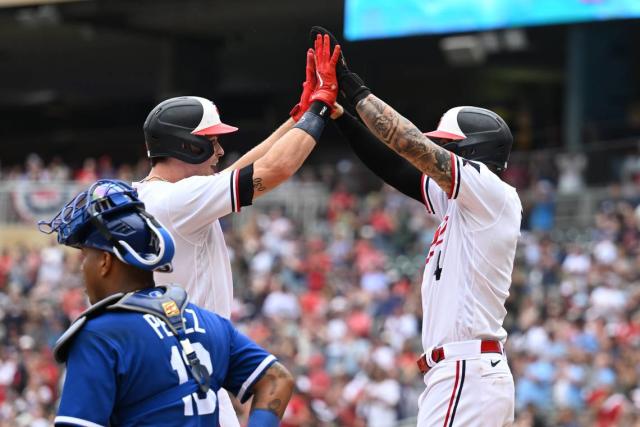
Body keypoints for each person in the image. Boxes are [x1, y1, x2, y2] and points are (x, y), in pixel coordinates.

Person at [310, 27, 522, 426]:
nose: (438, 150)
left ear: (470, 150)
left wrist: (352, 87)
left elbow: (410, 145)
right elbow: (396, 168)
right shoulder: (467, 205)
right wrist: (340, 115)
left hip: (467, 370)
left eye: (447, 144)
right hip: (463, 371)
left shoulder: (491, 192)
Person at [133, 37, 341, 425]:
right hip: (185, 371)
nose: (217, 151)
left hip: (175, 366)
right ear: (185, 144)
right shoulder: (177, 200)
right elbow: (274, 171)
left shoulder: (161, 197)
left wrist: (297, 119)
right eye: (210, 141)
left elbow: (237, 172)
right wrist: (320, 109)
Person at [38, 179, 294, 427]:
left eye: (86, 256)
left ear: (105, 262)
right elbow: (276, 380)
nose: (82, 268)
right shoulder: (207, 321)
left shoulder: (100, 335)